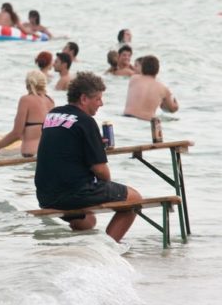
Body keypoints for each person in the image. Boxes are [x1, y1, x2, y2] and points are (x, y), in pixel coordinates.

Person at [34, 71, 142, 243]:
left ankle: (79, 252)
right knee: (134, 199)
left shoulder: (52, 115)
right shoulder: (86, 122)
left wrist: (92, 144)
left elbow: (63, 148)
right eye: (98, 99)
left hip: (46, 196)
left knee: (88, 221)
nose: (101, 103)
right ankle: (108, 251)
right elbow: (101, 172)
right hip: (73, 193)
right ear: (84, 99)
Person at [0, 70, 54, 159]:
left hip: (30, 156)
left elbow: (17, 133)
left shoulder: (26, 100)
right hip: (48, 155)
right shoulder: (50, 101)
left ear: (27, 84)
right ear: (44, 84)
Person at [123, 55, 179, 120]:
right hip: (146, 121)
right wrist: (176, 106)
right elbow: (172, 109)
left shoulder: (133, 79)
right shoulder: (163, 89)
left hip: (127, 117)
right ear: (157, 70)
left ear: (142, 67)